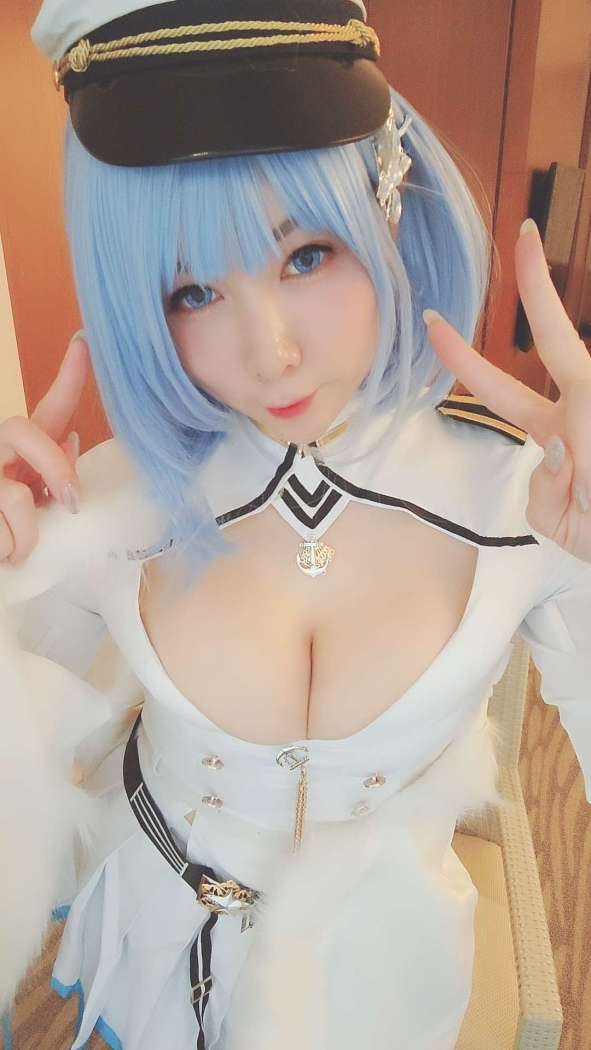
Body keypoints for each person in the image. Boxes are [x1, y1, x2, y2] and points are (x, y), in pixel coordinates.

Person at [1, 1, 590, 1047]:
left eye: (306, 255)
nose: (269, 352)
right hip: (150, 956)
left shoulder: (534, 496)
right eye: (191, 290)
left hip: (383, 973)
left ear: (389, 203)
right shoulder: (104, 501)